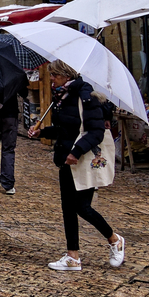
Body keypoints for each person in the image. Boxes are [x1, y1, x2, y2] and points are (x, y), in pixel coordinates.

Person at [28, 60, 126, 272]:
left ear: (65, 74)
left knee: (82, 207)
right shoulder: (63, 96)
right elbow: (66, 129)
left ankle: (114, 239)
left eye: (54, 75)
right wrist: (42, 132)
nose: (51, 79)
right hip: (65, 159)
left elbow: (95, 132)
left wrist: (76, 151)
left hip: (80, 159)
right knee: (67, 208)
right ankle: (73, 256)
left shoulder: (86, 96)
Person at [0, 80, 29, 195]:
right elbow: (24, 92)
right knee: (8, 149)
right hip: (10, 114)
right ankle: (7, 182)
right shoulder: (14, 72)